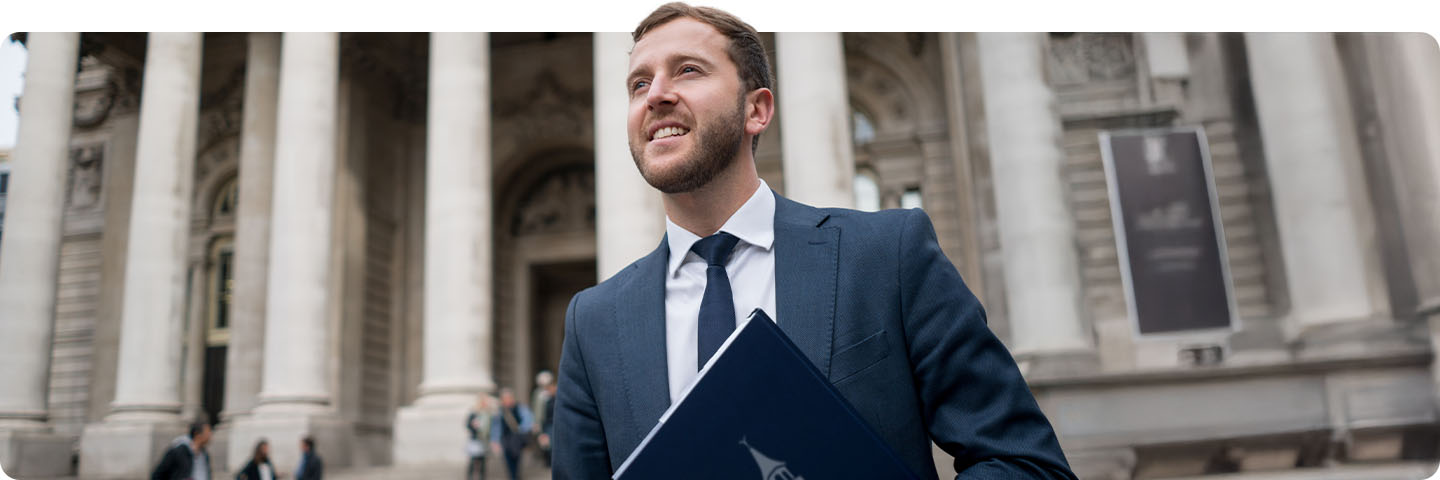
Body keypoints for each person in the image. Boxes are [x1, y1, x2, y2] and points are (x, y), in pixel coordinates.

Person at [551, 3, 1078, 479]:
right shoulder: (594, 321)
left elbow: (1025, 463)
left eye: (688, 70)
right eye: (638, 84)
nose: (656, 94)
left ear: (756, 110)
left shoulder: (886, 255)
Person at [488, 388, 534, 480]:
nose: (507, 400)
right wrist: (494, 440)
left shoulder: (520, 408)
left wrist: (519, 429)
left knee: (517, 459)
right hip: (505, 438)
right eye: (504, 398)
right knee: (508, 460)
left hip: (516, 439)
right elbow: (496, 427)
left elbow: (528, 421)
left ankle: (516, 476)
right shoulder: (500, 411)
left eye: (508, 398)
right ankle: (513, 477)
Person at [465, 393, 495, 480]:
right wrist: (473, 426)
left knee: (483, 461)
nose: (485, 403)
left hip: (485, 440)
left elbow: (492, 427)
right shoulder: (474, 413)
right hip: (476, 440)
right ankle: (470, 477)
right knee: (473, 460)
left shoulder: (489, 414)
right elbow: (468, 425)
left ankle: (482, 477)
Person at [536, 382, 557, 467]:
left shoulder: (558, 399)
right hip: (548, 424)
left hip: (555, 424)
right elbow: (540, 413)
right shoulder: (545, 400)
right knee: (547, 444)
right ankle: (549, 460)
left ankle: (552, 460)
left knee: (553, 443)